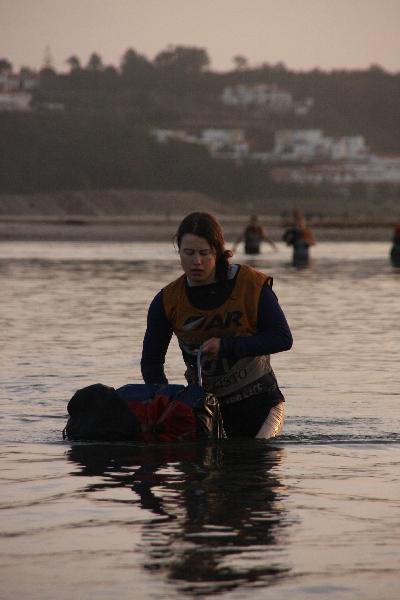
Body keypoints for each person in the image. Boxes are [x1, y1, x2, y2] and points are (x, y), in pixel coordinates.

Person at [141, 212, 293, 439]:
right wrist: (166, 405)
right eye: (189, 253)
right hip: (206, 410)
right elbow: (151, 363)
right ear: (179, 252)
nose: (197, 261)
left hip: (262, 403)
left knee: (257, 453)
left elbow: (282, 338)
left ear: (218, 252)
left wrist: (225, 346)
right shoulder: (167, 300)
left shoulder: (250, 284)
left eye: (204, 253)